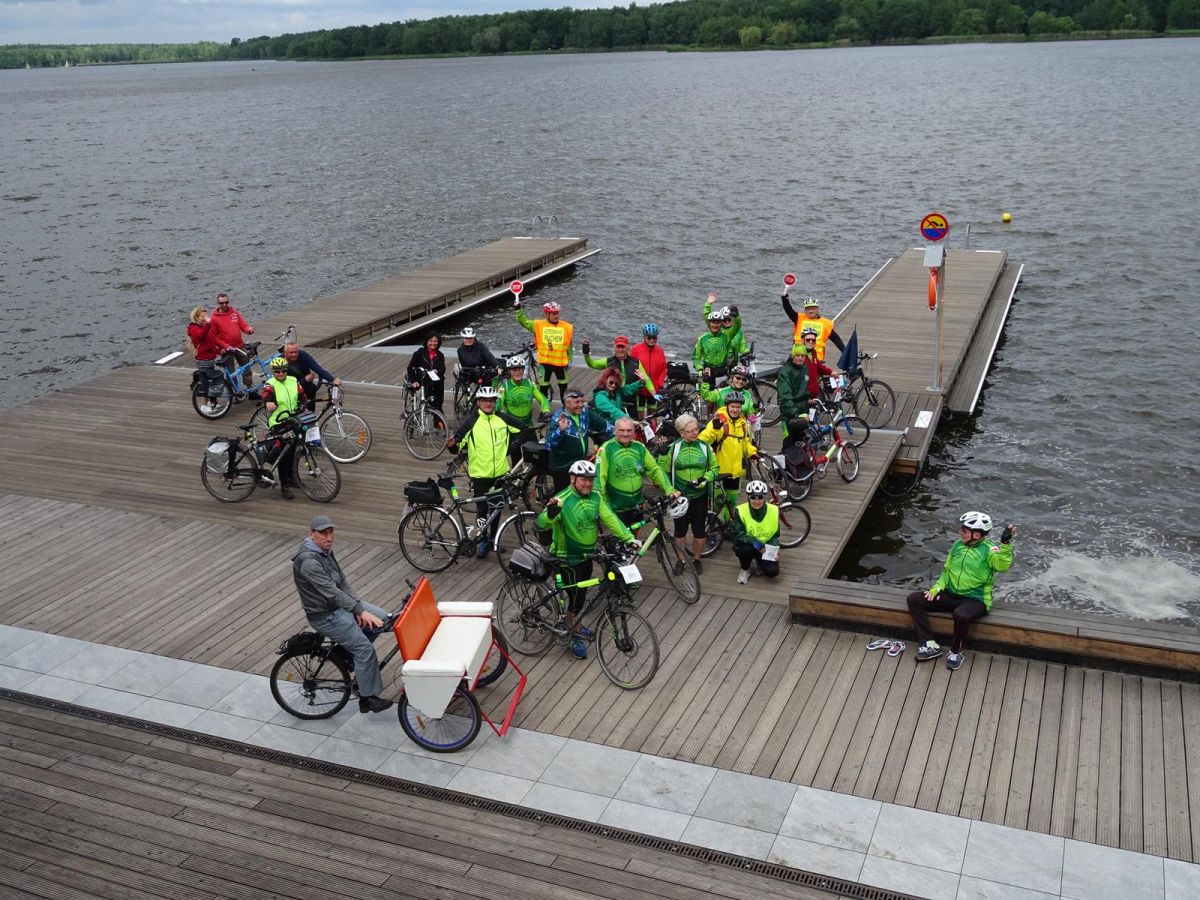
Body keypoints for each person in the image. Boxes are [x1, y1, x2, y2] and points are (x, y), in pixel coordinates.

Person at [537, 460, 637, 659]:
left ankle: (576, 624)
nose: (588, 484)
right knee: (575, 600)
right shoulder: (562, 499)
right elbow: (540, 523)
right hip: (567, 559)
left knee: (580, 597)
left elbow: (610, 518)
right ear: (572, 478)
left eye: (591, 480)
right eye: (583, 479)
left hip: (587, 556)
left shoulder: (595, 497)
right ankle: (573, 635)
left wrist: (628, 537)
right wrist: (550, 514)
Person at [293, 515, 393, 714]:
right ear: (311, 534)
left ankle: (345, 654)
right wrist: (359, 611)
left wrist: (357, 606)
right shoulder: (309, 562)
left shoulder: (324, 552)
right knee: (364, 650)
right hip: (325, 615)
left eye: (331, 532)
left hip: (339, 606)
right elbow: (332, 592)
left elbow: (343, 583)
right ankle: (367, 699)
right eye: (323, 533)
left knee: (383, 620)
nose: (329, 537)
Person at [907, 512, 1017, 670]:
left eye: (964, 531)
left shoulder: (990, 550)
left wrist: (1005, 544)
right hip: (951, 595)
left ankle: (955, 652)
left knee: (961, 615)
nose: (960, 533)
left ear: (976, 534)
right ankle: (929, 644)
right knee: (914, 599)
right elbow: (947, 571)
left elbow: (1002, 566)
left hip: (976, 600)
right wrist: (936, 588)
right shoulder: (958, 545)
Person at [448, 386, 521, 557]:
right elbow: (457, 444)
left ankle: (493, 539)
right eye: (484, 401)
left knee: (496, 508)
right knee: (482, 510)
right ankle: (482, 540)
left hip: (500, 473)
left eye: (491, 400)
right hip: (480, 474)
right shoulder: (471, 421)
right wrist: (452, 446)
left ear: (495, 402)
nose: (488, 403)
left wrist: (510, 448)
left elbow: (523, 430)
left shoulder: (502, 418)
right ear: (479, 402)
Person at [595, 417, 679, 529]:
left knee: (635, 537)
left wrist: (669, 489)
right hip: (617, 507)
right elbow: (599, 479)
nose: (625, 434)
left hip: (637, 505)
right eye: (621, 430)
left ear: (634, 432)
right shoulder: (607, 449)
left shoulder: (639, 447)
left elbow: (654, 469)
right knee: (621, 538)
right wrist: (602, 506)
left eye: (629, 430)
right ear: (614, 431)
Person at [666, 413, 718, 575]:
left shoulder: (705, 447)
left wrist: (704, 479)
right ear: (681, 433)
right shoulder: (673, 448)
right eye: (690, 431)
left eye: (696, 429)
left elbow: (715, 469)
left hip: (699, 496)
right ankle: (681, 560)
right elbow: (663, 470)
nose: (695, 433)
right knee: (680, 530)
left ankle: (696, 560)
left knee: (699, 530)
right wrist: (670, 490)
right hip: (679, 496)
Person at [698, 391, 758, 519]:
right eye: (733, 407)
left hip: (736, 472)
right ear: (727, 406)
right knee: (717, 503)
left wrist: (752, 452)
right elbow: (703, 440)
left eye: (738, 407)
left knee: (731, 502)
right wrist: (714, 429)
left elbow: (745, 442)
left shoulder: (743, 423)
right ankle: (713, 526)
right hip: (719, 471)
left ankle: (726, 525)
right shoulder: (719, 420)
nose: (735, 410)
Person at [776, 332, 833, 450]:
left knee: (801, 445)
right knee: (788, 445)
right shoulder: (785, 373)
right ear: (792, 356)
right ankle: (782, 461)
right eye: (797, 355)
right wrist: (796, 414)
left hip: (803, 413)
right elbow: (786, 397)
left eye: (802, 356)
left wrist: (809, 400)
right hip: (790, 416)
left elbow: (803, 389)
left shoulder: (804, 368)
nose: (800, 358)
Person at [545, 389, 607, 493]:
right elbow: (549, 444)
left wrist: (620, 431)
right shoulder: (558, 418)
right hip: (563, 467)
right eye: (577, 402)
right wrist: (560, 430)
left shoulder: (585, 413)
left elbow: (603, 424)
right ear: (567, 404)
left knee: (580, 494)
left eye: (582, 401)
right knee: (564, 497)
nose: (581, 405)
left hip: (579, 463)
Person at [516, 298, 573, 403]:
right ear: (547, 314)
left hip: (561, 363)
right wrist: (518, 309)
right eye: (554, 314)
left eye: (557, 313)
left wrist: (570, 359)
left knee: (563, 387)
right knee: (543, 388)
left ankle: (565, 408)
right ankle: (544, 409)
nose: (557, 316)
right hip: (545, 363)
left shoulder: (567, 327)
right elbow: (523, 321)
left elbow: (569, 345)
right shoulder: (538, 325)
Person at [260, 355, 302, 499]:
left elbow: (302, 396)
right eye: (277, 372)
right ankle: (284, 485)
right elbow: (266, 394)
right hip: (278, 423)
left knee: (292, 451)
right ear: (273, 372)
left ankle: (291, 477)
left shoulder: (293, 381)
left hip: (292, 420)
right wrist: (268, 402)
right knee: (284, 454)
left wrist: (303, 404)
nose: (281, 374)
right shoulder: (270, 383)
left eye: (283, 371)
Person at [496, 355, 549, 464]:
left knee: (537, 458)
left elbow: (543, 399)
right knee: (516, 460)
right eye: (514, 370)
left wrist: (546, 411)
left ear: (523, 370)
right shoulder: (504, 387)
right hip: (513, 430)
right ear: (509, 371)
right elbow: (497, 405)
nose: (517, 372)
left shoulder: (529, 384)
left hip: (528, 427)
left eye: (519, 369)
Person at [730, 481, 781, 584]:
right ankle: (745, 569)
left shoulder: (774, 510)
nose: (756, 501)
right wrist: (757, 544)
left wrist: (773, 551)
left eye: (760, 497)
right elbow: (738, 535)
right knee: (745, 550)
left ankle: (760, 562)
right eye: (753, 497)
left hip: (766, 548)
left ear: (764, 497)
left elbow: (775, 535)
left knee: (773, 572)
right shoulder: (740, 510)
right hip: (749, 545)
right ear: (748, 497)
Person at [583, 335, 649, 414]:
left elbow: (631, 387)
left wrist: (644, 384)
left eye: (623, 347)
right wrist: (586, 353)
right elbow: (591, 364)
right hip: (613, 401)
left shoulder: (635, 362)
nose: (620, 349)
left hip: (629, 400)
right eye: (618, 347)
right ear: (614, 348)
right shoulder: (608, 362)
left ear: (628, 348)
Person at [208, 293, 255, 388]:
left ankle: (250, 389)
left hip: (239, 346)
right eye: (222, 303)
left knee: (246, 368)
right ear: (218, 303)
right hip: (226, 350)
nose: (224, 305)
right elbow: (214, 337)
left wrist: (249, 330)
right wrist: (224, 347)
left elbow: (243, 326)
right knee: (230, 372)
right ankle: (234, 391)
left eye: (226, 302)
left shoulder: (234, 313)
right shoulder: (214, 318)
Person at [782, 291, 844, 363]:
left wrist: (844, 351)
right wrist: (785, 299)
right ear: (805, 310)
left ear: (817, 309)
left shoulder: (825, 323)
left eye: (813, 308)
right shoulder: (799, 318)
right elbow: (788, 310)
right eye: (808, 309)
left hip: (816, 360)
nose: (811, 311)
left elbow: (836, 339)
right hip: (799, 357)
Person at [281, 339, 340, 407]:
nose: (294, 354)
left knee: (310, 410)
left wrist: (332, 379)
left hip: (308, 389)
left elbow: (317, 368)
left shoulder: (303, 355)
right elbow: (285, 385)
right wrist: (305, 380)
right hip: (291, 393)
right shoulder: (280, 362)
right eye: (291, 352)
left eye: (296, 352)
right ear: (285, 353)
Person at [187, 306, 224, 409]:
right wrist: (208, 323)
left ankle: (210, 403)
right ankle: (204, 405)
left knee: (209, 380)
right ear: (196, 318)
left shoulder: (205, 328)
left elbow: (210, 343)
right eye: (202, 316)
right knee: (206, 382)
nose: (205, 318)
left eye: (206, 316)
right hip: (203, 359)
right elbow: (200, 336)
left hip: (209, 358)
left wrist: (219, 351)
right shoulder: (193, 328)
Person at [590, 366, 644, 432]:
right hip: (604, 429)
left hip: (616, 425)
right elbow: (613, 411)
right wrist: (629, 421)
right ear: (605, 380)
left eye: (616, 383)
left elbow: (628, 389)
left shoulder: (616, 391)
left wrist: (641, 382)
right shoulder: (600, 397)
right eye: (611, 382)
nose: (613, 385)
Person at [629, 323, 667, 413]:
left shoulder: (660, 351)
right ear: (644, 337)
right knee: (640, 415)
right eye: (649, 338)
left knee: (653, 414)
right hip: (640, 389)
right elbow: (631, 366)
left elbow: (664, 368)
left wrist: (660, 384)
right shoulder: (635, 349)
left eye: (654, 338)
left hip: (654, 388)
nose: (652, 340)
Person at [703, 293, 748, 369]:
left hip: (732, 364)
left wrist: (747, 353)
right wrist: (708, 304)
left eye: (729, 319)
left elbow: (743, 347)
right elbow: (708, 318)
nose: (727, 321)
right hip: (717, 364)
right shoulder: (716, 329)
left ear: (732, 319)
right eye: (724, 320)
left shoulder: (738, 332)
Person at [406, 333, 446, 413]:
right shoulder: (419, 353)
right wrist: (413, 381)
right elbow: (410, 368)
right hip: (422, 380)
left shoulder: (440, 355)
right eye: (430, 341)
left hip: (436, 382)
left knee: (438, 402)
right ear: (426, 342)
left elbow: (442, 369)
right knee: (434, 404)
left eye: (435, 341)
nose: (433, 343)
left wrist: (437, 371)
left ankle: (437, 417)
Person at [693, 309, 731, 389]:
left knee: (723, 395)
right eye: (713, 322)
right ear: (709, 323)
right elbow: (695, 357)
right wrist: (700, 369)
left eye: (718, 323)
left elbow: (736, 326)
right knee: (707, 394)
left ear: (721, 324)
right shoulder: (702, 338)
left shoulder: (726, 336)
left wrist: (736, 317)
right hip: (708, 371)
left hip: (722, 371)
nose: (715, 325)